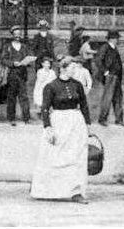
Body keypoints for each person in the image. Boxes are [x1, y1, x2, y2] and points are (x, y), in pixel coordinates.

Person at [31, 56, 91, 204]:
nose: (75, 70)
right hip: (59, 122)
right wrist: (48, 128)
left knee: (77, 157)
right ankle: (48, 190)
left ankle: (76, 191)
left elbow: (84, 105)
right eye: (72, 67)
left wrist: (87, 125)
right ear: (63, 68)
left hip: (76, 123)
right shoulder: (51, 86)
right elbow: (45, 108)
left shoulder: (77, 85)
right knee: (55, 157)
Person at [0, 25, 34, 126]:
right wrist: (13, 63)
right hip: (12, 74)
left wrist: (27, 62)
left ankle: (27, 118)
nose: (18, 36)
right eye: (16, 35)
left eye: (19, 35)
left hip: (22, 75)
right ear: (12, 35)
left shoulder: (24, 47)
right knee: (11, 97)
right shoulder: (7, 47)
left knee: (24, 97)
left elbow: (29, 57)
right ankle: (11, 119)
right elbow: (3, 60)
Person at [97, 30, 124, 126]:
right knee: (107, 98)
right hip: (110, 76)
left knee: (118, 97)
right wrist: (105, 72)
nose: (118, 40)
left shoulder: (113, 48)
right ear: (112, 39)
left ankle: (119, 119)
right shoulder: (105, 47)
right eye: (116, 38)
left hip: (116, 76)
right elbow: (99, 61)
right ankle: (102, 119)